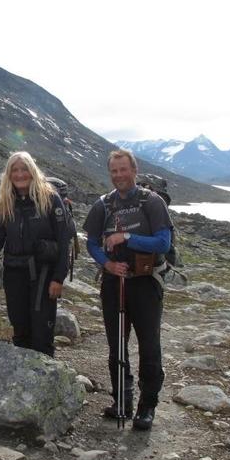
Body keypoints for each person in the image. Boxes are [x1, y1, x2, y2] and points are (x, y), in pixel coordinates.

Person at [83, 148, 173, 429]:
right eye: (114, 171)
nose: (119, 175)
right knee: (117, 347)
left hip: (146, 283)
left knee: (149, 346)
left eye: (124, 170)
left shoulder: (153, 202)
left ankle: (147, 406)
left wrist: (127, 237)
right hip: (114, 283)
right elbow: (92, 243)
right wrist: (106, 265)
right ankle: (122, 400)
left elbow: (163, 243)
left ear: (134, 170)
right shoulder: (103, 205)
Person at [0, 152, 71, 356]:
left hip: (43, 276)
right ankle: (23, 382)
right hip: (14, 274)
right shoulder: (6, 203)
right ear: (9, 175)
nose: (20, 174)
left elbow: (63, 241)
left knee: (42, 333)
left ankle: (45, 382)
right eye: (14, 170)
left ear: (32, 171)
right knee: (20, 330)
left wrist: (58, 278)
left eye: (24, 169)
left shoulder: (50, 199)